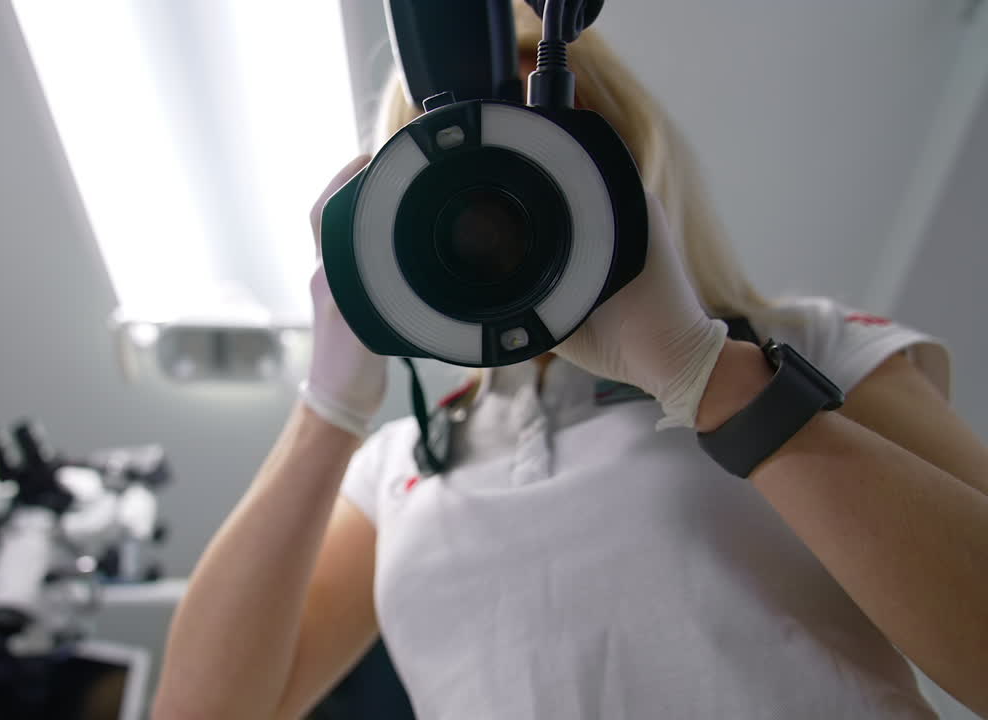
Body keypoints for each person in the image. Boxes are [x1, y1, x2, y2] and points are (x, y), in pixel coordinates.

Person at [153, 7, 988, 719]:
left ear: (625, 163)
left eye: (539, 145)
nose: (502, 199)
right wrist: (328, 409)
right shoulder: (402, 468)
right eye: (467, 177)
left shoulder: (808, 344)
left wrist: (711, 377)